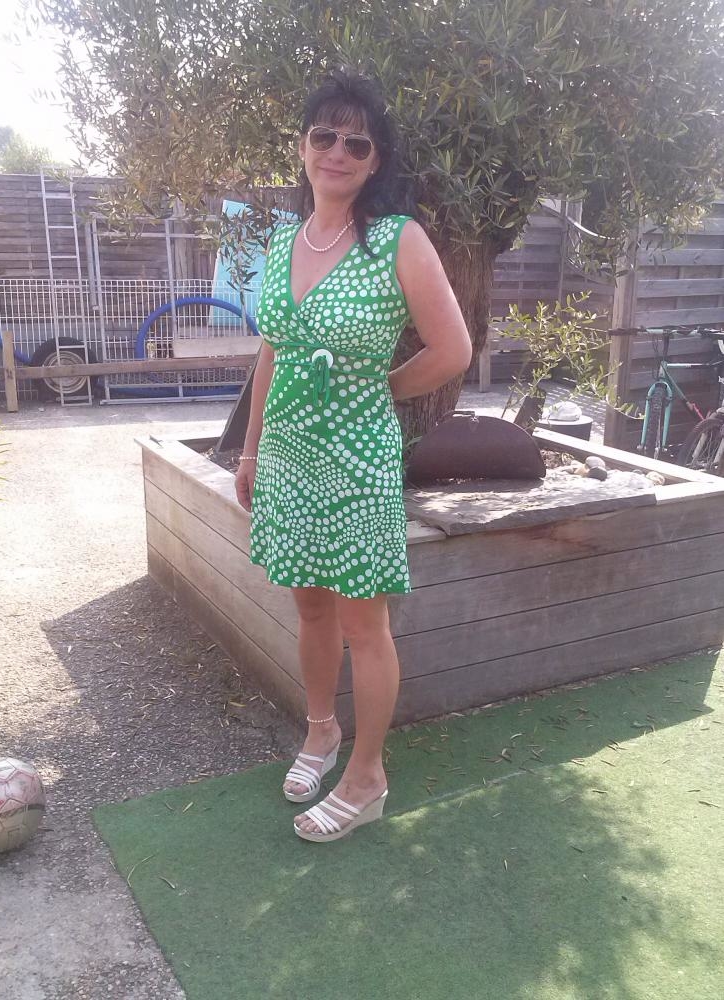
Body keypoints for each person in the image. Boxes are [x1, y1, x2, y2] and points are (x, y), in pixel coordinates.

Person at [235, 67, 471, 843]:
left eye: (357, 143)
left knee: (364, 623)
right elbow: (272, 351)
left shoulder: (399, 240)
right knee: (308, 603)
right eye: (324, 135)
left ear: (375, 162)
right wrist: (251, 450)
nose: (337, 151)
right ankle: (321, 731)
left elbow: (453, 349)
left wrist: (384, 388)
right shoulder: (282, 240)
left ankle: (367, 778)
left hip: (357, 456)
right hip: (288, 454)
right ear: (304, 147)